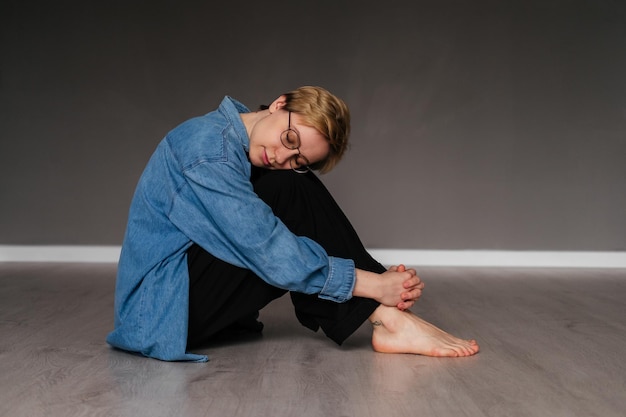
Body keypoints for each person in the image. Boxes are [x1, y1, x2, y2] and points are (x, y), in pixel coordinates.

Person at [106, 86, 479, 362]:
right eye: (289, 138)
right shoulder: (207, 151)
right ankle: (386, 316)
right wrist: (372, 284)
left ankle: (385, 317)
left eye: (297, 156)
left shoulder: (232, 145)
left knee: (289, 183)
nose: (281, 155)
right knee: (287, 190)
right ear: (279, 104)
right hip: (158, 315)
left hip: (181, 304)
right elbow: (265, 249)